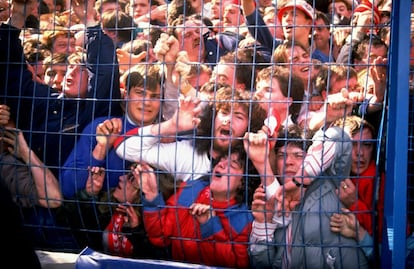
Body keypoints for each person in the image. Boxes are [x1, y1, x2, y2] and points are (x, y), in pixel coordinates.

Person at [1, 0, 123, 176]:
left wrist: (88, 19)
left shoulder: (94, 110)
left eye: (81, 69)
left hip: (68, 196)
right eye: (70, 68)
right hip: (27, 190)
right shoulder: (46, 98)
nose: (71, 72)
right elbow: (12, 72)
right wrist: (18, 16)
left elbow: (105, 71)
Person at [250, 124, 369, 268]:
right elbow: (261, 264)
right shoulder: (272, 198)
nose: (288, 161)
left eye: (298, 155)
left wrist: (300, 180)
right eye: (282, 155)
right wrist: (263, 223)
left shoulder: (330, 181)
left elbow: (339, 138)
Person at [114, 85, 267, 182]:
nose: (228, 120)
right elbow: (124, 148)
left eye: (239, 117)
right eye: (224, 113)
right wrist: (171, 126)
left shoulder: (253, 166)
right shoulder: (186, 153)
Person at [136, 146, 254, 268]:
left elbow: (234, 265)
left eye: (232, 165)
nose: (221, 165)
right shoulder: (190, 189)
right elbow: (160, 237)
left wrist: (210, 225)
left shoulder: (245, 219)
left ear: (243, 182)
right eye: (221, 160)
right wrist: (152, 197)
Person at [61, 64, 163, 199]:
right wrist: (102, 148)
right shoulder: (101, 126)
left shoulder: (168, 137)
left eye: (155, 96)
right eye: (140, 93)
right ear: (126, 94)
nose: (147, 102)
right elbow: (67, 187)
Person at [60, 165, 174, 259]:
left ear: (142, 193)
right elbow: (66, 220)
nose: (121, 178)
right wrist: (88, 195)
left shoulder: (156, 227)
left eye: (130, 178)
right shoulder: (108, 205)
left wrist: (136, 230)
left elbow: (157, 261)